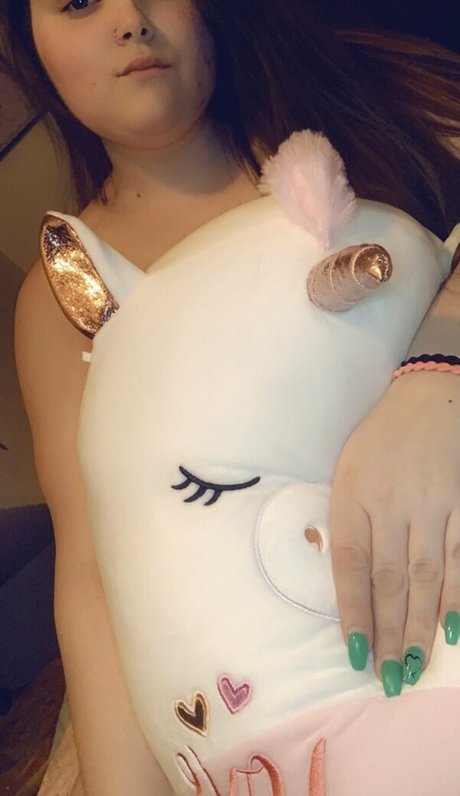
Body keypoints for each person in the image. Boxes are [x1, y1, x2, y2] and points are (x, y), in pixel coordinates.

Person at [2, 0, 460, 793]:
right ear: (28, 44)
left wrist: (437, 371)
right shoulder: (65, 296)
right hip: (245, 714)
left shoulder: (367, 96)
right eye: (77, 2)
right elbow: (95, 571)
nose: (130, 20)